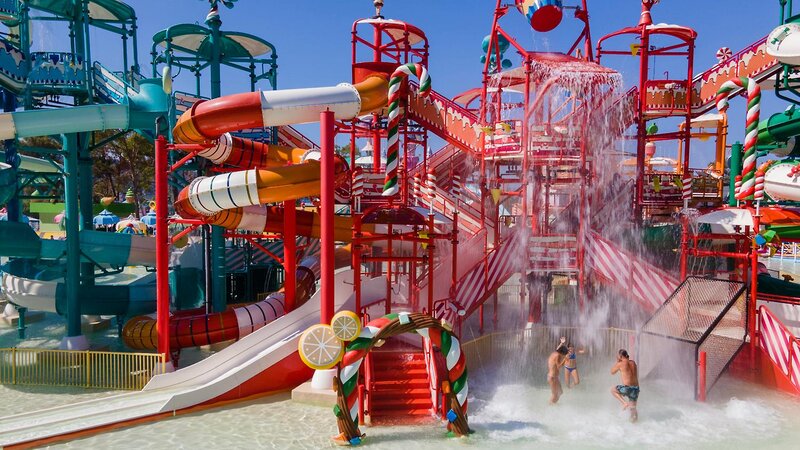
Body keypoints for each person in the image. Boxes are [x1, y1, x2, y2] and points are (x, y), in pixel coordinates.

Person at [611, 349, 639, 422]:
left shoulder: (621, 363)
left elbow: (612, 372)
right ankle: (634, 423)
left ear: (620, 356)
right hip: (636, 389)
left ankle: (624, 403)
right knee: (633, 409)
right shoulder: (633, 362)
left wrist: (617, 362)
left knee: (613, 390)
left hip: (627, 388)